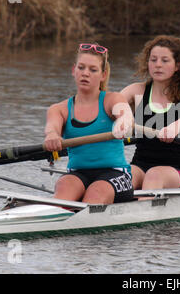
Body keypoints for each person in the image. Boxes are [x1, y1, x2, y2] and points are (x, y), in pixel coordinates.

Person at [43, 43, 134, 204]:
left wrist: (123, 123)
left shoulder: (112, 100)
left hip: (115, 174)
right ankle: (52, 217)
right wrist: (52, 135)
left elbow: (125, 114)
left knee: (96, 193)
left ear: (103, 75)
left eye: (93, 70)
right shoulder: (59, 109)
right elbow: (52, 127)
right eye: (81, 68)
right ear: (73, 70)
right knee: (64, 187)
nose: (85, 73)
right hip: (78, 173)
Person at [121, 35, 180, 192]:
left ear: (177, 65)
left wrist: (175, 127)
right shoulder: (136, 90)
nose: (158, 65)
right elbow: (109, 106)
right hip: (139, 164)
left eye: (165, 60)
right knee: (121, 176)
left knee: (154, 175)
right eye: (153, 60)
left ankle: (143, 213)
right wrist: (121, 118)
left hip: (176, 169)